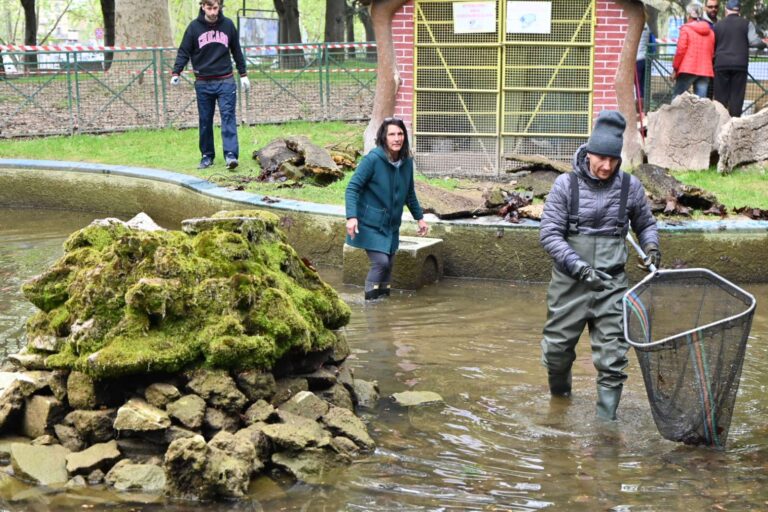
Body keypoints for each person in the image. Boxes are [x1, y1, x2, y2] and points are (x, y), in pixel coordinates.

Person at [539, 110, 660, 421]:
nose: (606, 166)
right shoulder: (566, 185)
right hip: (571, 284)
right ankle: (560, 404)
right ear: (588, 151)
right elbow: (549, 234)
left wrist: (651, 246)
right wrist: (579, 267)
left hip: (611, 286)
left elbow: (646, 224)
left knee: (613, 360)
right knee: (556, 352)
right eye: (601, 158)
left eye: (613, 160)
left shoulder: (630, 187)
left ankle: (606, 426)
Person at [345, 118, 429, 300]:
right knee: (381, 262)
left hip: (391, 225)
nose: (397, 138)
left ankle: (381, 304)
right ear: (384, 137)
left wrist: (419, 218)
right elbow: (352, 188)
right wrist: (351, 217)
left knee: (389, 264)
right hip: (369, 223)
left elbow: (409, 192)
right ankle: (370, 305)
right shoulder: (372, 160)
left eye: (400, 134)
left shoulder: (406, 162)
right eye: (392, 134)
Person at [171, 0, 250, 170]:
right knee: (205, 121)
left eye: (216, 8)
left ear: (219, 6)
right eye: (209, 8)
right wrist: (176, 71)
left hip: (226, 81)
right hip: (203, 82)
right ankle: (207, 156)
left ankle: (231, 155)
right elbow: (184, 51)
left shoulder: (228, 25)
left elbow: (236, 50)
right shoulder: (193, 28)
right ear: (202, 6)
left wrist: (243, 74)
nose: (213, 12)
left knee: (228, 117)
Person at [713, 0, 767, 116]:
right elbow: (754, 41)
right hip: (740, 64)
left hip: (721, 64)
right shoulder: (746, 23)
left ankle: (720, 125)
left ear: (726, 10)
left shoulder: (717, 25)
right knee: (736, 98)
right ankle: (734, 125)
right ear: (739, 11)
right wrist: (763, 44)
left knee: (720, 99)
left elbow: (712, 43)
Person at [671, 2, 715, 99]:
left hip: (687, 69)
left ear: (688, 15)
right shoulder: (711, 32)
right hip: (705, 70)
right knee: (700, 103)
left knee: (677, 99)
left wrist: (675, 68)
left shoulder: (686, 29)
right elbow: (711, 52)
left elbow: (681, 51)